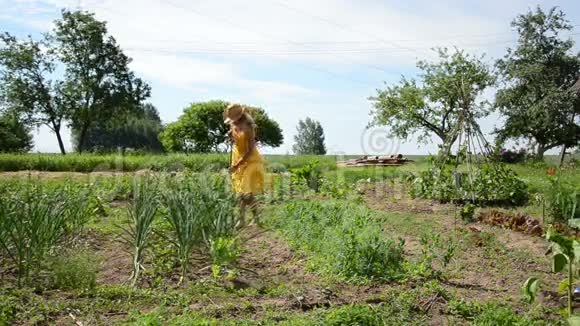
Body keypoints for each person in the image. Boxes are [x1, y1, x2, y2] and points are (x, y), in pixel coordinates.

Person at [224, 103, 265, 227]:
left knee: (245, 192)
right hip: (237, 155)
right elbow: (233, 133)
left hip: (250, 159)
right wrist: (230, 135)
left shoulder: (249, 127)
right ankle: (247, 219)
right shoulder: (233, 123)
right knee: (241, 192)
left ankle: (245, 220)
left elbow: (251, 149)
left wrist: (237, 165)